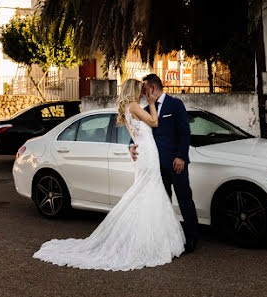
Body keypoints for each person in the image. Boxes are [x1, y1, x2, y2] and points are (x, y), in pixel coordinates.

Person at [33, 79, 186, 271]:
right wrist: (153, 104)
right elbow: (154, 122)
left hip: (145, 153)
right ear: (133, 91)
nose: (142, 93)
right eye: (140, 90)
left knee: (147, 192)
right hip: (147, 155)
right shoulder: (134, 106)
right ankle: (145, 242)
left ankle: (148, 238)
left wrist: (133, 143)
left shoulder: (130, 107)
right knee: (147, 192)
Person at [130, 74, 199, 253]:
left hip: (176, 162)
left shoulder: (175, 104)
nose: (143, 93)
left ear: (153, 88)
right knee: (163, 201)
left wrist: (181, 156)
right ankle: (168, 238)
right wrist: (130, 145)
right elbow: (138, 132)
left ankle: (192, 237)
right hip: (155, 164)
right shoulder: (146, 108)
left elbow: (185, 132)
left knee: (184, 199)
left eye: (144, 89)